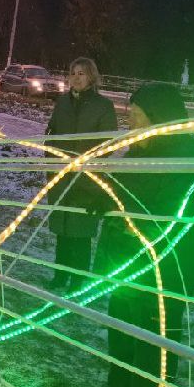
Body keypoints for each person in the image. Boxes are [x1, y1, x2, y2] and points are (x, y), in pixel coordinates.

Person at [78, 83, 194, 387]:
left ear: (159, 117)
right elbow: (123, 192)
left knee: (152, 347)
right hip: (125, 266)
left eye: (135, 116)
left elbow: (168, 218)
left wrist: (122, 212)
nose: (130, 123)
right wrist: (102, 196)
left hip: (163, 273)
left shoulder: (191, 165)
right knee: (122, 337)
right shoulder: (141, 152)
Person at [45, 57, 117, 289]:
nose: (76, 78)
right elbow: (52, 133)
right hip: (61, 173)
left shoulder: (103, 106)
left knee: (81, 231)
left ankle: (78, 277)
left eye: (81, 74)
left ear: (91, 77)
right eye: (73, 73)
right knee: (62, 229)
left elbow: (106, 144)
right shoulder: (62, 103)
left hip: (87, 177)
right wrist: (52, 161)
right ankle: (60, 273)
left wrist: (87, 163)